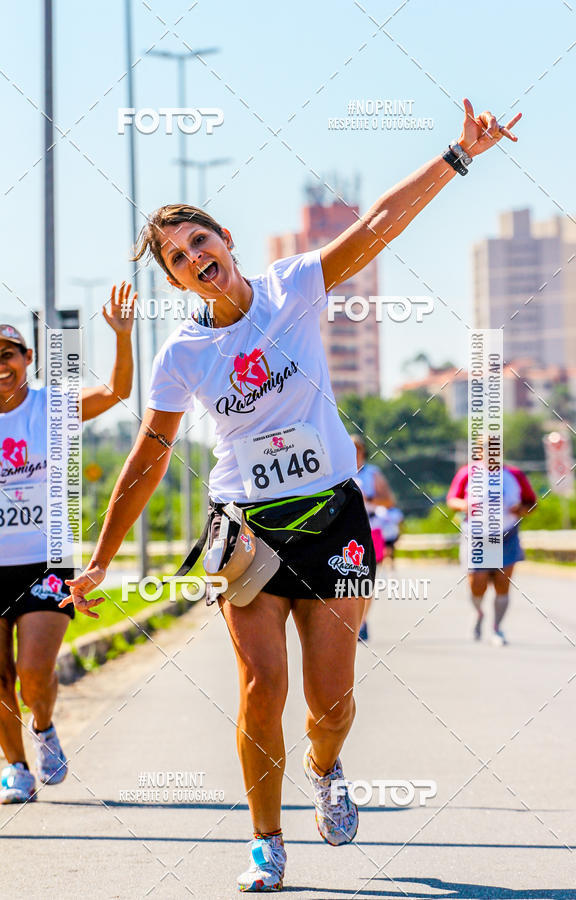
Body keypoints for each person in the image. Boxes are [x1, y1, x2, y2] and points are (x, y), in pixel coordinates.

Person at [64, 98, 521, 892]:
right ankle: (267, 840)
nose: (194, 258)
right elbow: (145, 457)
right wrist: (100, 558)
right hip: (249, 531)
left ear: (225, 240)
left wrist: (457, 156)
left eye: (199, 240)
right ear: (175, 278)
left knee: (330, 700)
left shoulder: (294, 288)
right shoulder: (183, 355)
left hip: (335, 519)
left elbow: (379, 224)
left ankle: (327, 766)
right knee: (260, 684)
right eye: (177, 258)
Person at [0, 283, 134, 804]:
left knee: (32, 671)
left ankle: (43, 729)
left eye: (8, 355)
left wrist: (122, 337)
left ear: (27, 358)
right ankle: (16, 768)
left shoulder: (54, 406)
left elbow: (115, 392)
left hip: (45, 563)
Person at [447, 461, 536, 645]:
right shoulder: (467, 473)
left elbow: (532, 505)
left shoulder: (514, 474)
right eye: (486, 449)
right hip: (477, 535)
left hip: (506, 534)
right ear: (479, 452)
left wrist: (520, 509)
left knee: (502, 583)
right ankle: (479, 613)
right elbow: (452, 500)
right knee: (477, 582)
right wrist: (466, 505)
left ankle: (497, 627)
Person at [351, 434, 395, 641]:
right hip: (346, 531)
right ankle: (350, 620)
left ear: (362, 452)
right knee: (346, 579)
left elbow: (389, 501)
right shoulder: (338, 472)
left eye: (356, 450)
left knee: (366, 580)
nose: (353, 454)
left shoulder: (372, 473)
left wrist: (368, 498)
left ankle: (362, 622)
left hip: (370, 528)